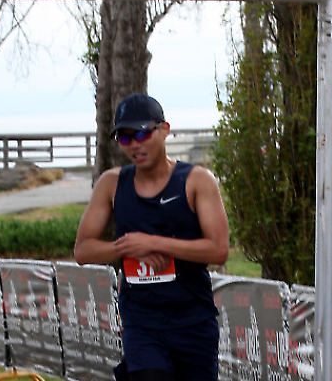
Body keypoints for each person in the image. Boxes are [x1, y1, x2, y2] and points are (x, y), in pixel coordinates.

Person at [74, 93, 229, 381]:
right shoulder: (111, 183)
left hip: (193, 321)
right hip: (141, 322)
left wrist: (155, 243)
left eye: (142, 133)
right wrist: (129, 249)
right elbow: (83, 250)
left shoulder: (197, 181)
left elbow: (219, 250)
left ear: (164, 130)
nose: (135, 144)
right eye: (124, 137)